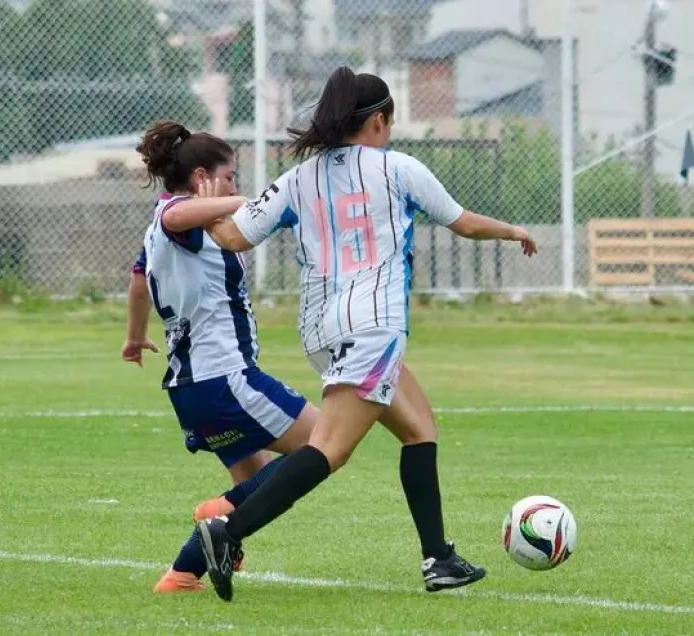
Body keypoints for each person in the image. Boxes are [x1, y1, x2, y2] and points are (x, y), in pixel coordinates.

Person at [188, 67, 538, 602]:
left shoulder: (299, 178)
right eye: (389, 121)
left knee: (419, 427)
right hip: (374, 326)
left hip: (322, 331)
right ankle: (227, 530)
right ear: (378, 120)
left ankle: (439, 559)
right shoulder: (397, 168)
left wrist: (208, 204)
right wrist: (513, 230)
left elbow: (233, 235)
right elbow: (462, 222)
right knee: (329, 450)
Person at [122, 120, 319, 592]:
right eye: (230, 176)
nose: (237, 186)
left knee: (259, 484)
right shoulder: (175, 217)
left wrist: (134, 336)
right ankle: (218, 515)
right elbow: (177, 218)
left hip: (194, 388)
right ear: (200, 180)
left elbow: (136, 279)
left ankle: (182, 574)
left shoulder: (174, 225)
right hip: (224, 378)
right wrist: (241, 203)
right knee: (325, 444)